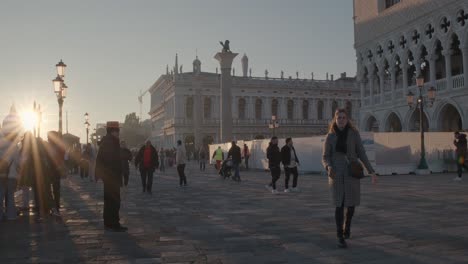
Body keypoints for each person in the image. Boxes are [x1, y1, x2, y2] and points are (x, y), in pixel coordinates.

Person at [322, 108, 377, 248]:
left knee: (351, 205)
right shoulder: (330, 136)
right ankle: (340, 235)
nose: (341, 120)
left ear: (347, 119)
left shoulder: (354, 134)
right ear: (335, 119)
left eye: (343, 117)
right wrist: (328, 167)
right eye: (338, 117)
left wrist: (371, 171)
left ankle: (347, 226)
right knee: (339, 205)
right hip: (336, 174)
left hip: (351, 173)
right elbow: (325, 156)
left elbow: (362, 153)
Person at [96, 121, 127, 232]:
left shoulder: (106, 141)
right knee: (114, 200)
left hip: (108, 177)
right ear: (114, 131)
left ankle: (108, 222)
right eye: (118, 130)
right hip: (112, 177)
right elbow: (111, 161)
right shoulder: (111, 142)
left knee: (109, 200)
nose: (119, 133)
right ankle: (113, 223)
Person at [46, 131, 66, 216]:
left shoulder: (47, 147)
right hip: (56, 170)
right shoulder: (59, 147)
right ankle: (56, 206)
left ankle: (53, 206)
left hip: (50, 170)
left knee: (49, 190)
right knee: (56, 190)